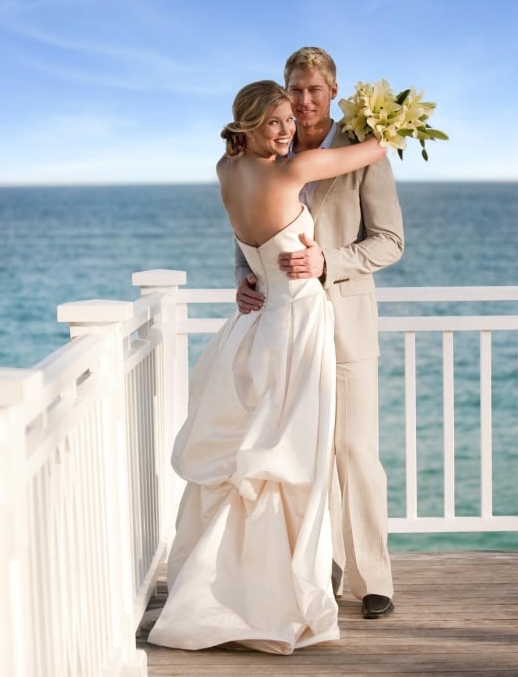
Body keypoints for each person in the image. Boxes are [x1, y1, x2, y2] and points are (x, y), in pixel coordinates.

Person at [146, 80, 387, 654]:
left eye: (288, 120)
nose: (285, 131)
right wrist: (388, 122)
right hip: (300, 326)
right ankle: (280, 591)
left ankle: (242, 584)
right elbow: (371, 151)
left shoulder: (225, 171)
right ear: (249, 124)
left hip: (259, 323)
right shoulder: (291, 171)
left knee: (257, 460)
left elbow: (251, 240)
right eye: (274, 121)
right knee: (291, 460)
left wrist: (246, 278)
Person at [236, 47, 404, 620]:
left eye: (313, 90)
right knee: (302, 454)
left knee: (354, 451)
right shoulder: (271, 148)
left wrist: (328, 262)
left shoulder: (360, 153)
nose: (303, 102)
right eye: (295, 90)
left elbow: (389, 240)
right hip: (285, 330)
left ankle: (373, 578)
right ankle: (318, 568)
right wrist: (245, 279)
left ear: (333, 91)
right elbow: (253, 227)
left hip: (345, 325)